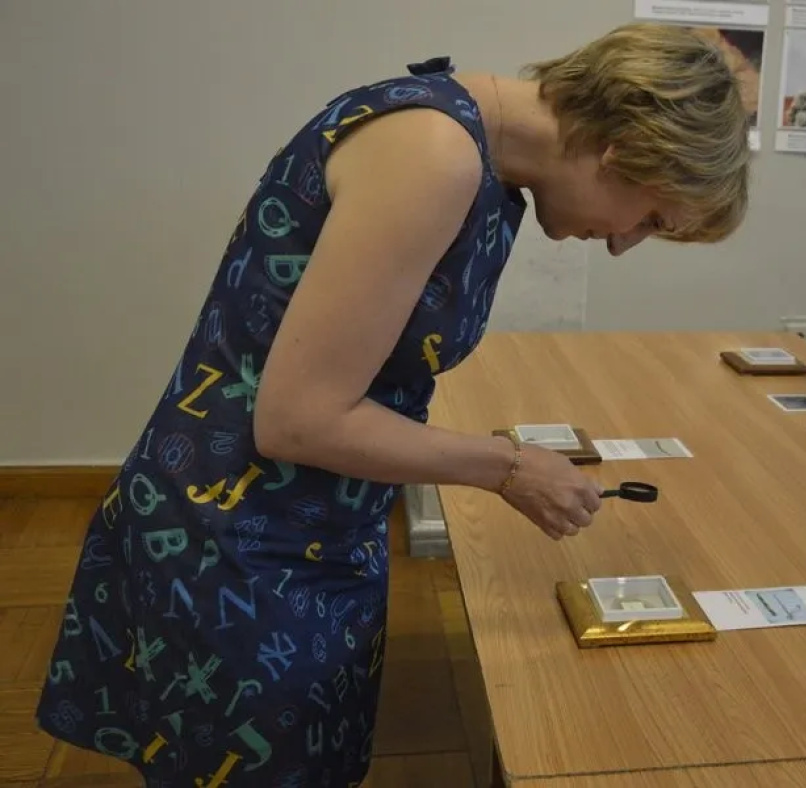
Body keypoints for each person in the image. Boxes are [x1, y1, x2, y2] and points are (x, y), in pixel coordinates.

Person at [34, 22, 752, 788]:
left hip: (306, 526)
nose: (622, 243)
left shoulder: (469, 149)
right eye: (649, 218)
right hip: (239, 540)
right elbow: (301, 420)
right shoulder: (433, 153)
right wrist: (507, 467)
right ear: (623, 152)